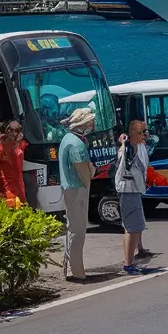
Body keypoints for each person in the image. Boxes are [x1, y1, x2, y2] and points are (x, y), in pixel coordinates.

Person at [60, 108, 95, 282]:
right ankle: (78, 271)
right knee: (78, 231)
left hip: (69, 188)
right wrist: (91, 173)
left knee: (71, 228)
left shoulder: (67, 138)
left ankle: (69, 267)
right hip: (77, 189)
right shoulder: (77, 144)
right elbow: (83, 171)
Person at [115, 119, 151, 275]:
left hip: (133, 190)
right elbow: (129, 167)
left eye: (144, 132)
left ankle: (129, 262)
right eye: (141, 132)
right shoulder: (129, 148)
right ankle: (128, 265)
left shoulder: (135, 146)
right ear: (132, 134)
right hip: (128, 190)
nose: (144, 135)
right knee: (133, 227)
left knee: (132, 227)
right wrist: (124, 143)